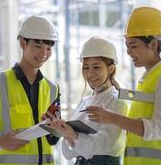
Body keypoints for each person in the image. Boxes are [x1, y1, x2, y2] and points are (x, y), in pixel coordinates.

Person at [86, 7, 161, 165]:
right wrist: (116, 91)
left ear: (152, 44)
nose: (128, 52)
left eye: (133, 46)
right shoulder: (149, 79)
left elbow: (157, 129)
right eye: (127, 46)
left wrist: (111, 118)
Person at [0, 15, 61, 165]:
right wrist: (0, 141)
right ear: (23, 43)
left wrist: (57, 128)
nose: (44, 54)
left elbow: (52, 139)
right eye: (38, 46)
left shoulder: (53, 89)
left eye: (48, 48)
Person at [46, 37, 129, 165]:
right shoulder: (84, 102)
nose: (90, 74)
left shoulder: (117, 101)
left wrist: (74, 135)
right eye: (86, 68)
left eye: (96, 67)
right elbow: (70, 154)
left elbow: (106, 143)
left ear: (111, 69)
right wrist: (63, 131)